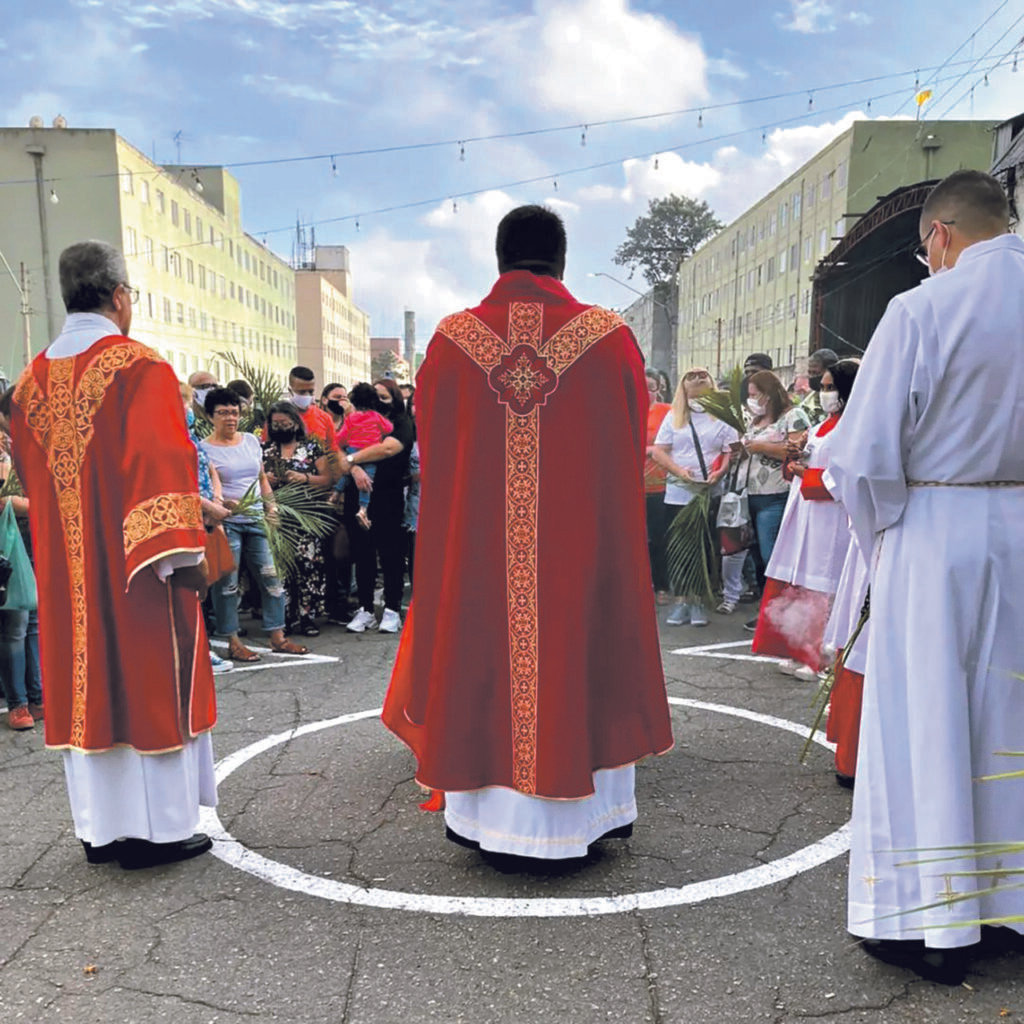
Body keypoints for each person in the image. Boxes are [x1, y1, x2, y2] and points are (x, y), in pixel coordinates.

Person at [382, 204, 673, 861]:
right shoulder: (607, 336)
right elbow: (630, 444)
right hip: (580, 551)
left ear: (499, 260)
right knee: (579, 647)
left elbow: (434, 441)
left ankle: (485, 820)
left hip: (480, 552)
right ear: (561, 261)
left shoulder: (455, 337)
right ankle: (588, 817)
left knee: (481, 650)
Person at [825, 170, 1024, 984]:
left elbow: (866, 459)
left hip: (936, 531)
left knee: (925, 722)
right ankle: (1009, 905)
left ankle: (927, 922)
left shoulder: (921, 309)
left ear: (938, 235)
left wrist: (883, 549)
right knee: (1010, 720)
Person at [10, 239, 216, 869]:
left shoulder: (26, 384)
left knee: (87, 685)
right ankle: (157, 833)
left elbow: (28, 473)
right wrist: (183, 556)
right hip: (138, 573)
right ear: (121, 296)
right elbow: (157, 463)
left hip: (70, 570)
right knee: (148, 680)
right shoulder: (141, 367)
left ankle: (101, 830)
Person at [751, 360, 859, 680]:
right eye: (822, 387)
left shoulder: (855, 425)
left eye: (831, 388)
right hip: (805, 512)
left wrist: (806, 474)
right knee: (804, 583)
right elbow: (803, 463)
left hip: (833, 518)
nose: (825, 393)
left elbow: (848, 477)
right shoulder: (820, 425)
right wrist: (795, 459)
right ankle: (800, 650)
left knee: (825, 585)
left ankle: (820, 658)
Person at [200, 387, 310, 661]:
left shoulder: (250, 441)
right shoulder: (203, 448)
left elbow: (261, 479)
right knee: (228, 584)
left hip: (257, 519)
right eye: (223, 413)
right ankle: (233, 641)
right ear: (210, 416)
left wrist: (271, 506)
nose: (230, 418)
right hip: (228, 523)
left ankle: (277, 636)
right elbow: (205, 488)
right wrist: (222, 505)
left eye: (234, 412)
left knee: (272, 577)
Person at [651, 367, 738, 626]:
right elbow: (659, 451)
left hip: (708, 492)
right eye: (691, 376)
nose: (698, 379)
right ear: (683, 387)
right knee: (679, 549)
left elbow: (732, 451)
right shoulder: (674, 416)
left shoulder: (722, 416)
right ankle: (682, 601)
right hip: (679, 492)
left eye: (702, 376)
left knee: (703, 547)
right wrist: (679, 470)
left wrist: (720, 472)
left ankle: (699, 600)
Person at [739, 369, 812, 630]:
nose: (752, 400)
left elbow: (797, 451)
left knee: (774, 556)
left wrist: (759, 447)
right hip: (753, 496)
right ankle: (769, 611)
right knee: (759, 557)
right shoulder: (754, 421)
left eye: (755, 394)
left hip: (777, 495)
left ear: (769, 394)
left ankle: (786, 613)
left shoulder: (793, 416)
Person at [341, 379, 414, 634]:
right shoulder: (357, 419)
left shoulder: (402, 423)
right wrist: (355, 468)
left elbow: (387, 449)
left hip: (388, 496)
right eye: (376, 396)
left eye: (384, 397)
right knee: (362, 553)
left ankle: (392, 608)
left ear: (394, 398)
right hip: (359, 495)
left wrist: (351, 459)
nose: (379, 401)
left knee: (391, 554)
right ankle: (366, 609)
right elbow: (338, 447)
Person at [263, 401, 332, 637]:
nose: (282, 427)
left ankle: (307, 616)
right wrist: (266, 480)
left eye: (286, 423)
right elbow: (252, 481)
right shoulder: (264, 449)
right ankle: (285, 617)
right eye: (277, 424)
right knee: (281, 568)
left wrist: (303, 478)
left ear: (295, 422)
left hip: (305, 518)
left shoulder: (311, 448)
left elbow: (327, 480)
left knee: (308, 566)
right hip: (277, 517)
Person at [179, 383, 234, 675]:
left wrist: (216, 500)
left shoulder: (191, 436)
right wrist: (209, 508)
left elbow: (209, 469)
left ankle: (202, 646)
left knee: (204, 582)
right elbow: (176, 482)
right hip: (185, 519)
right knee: (191, 584)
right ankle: (198, 649)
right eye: (182, 403)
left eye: (188, 403)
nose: (188, 410)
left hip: (205, 516)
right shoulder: (167, 439)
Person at [334, 382, 394, 530]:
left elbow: (339, 438)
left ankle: (335, 494)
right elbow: (389, 428)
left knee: (347, 475)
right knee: (366, 482)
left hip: (352, 451)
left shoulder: (350, 418)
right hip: (370, 453)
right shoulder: (376, 416)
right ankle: (363, 510)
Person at [643, 369, 673, 606]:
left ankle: (661, 585)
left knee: (658, 538)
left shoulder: (668, 412)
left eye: (651, 387)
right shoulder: (626, 408)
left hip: (659, 484)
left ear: (659, 388)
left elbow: (675, 443)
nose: (647, 392)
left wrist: (652, 451)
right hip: (630, 485)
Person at [286, 366, 338, 454]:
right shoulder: (276, 417)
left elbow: (333, 453)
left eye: (311, 392)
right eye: (302, 392)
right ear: (290, 391)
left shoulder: (325, 418)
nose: (307, 395)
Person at [799, 348, 839, 425]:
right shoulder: (807, 402)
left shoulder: (842, 401)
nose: (811, 377)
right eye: (809, 372)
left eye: (815, 373)